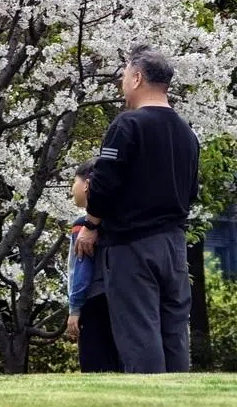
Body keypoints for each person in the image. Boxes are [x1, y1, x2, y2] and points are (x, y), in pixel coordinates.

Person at [75, 45, 199, 374]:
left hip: (132, 246)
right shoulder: (187, 133)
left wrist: (91, 224)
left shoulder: (127, 125)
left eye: (124, 76)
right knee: (174, 334)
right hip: (173, 245)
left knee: (139, 332)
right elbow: (192, 192)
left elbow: (103, 184)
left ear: (138, 77)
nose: (122, 83)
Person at [66, 158, 121, 372]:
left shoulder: (83, 226)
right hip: (118, 297)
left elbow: (81, 270)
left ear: (87, 184)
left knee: (94, 362)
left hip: (93, 300)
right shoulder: (114, 221)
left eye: (74, 182)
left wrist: (75, 309)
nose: (72, 189)